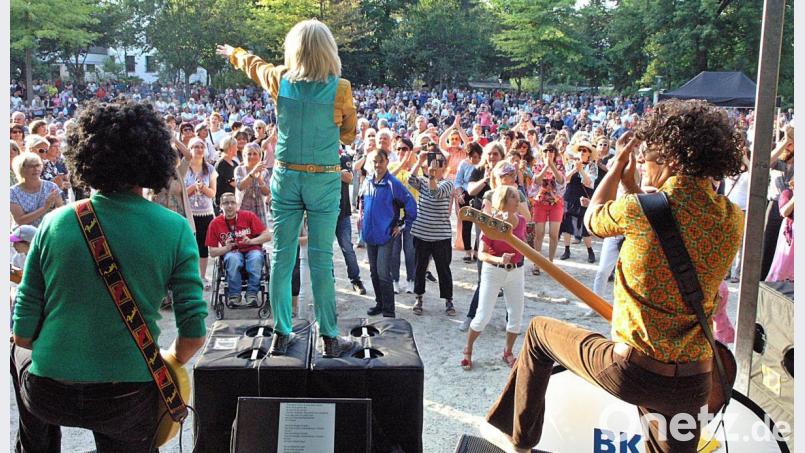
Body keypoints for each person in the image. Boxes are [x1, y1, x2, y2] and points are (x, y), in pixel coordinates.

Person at [482, 99, 745, 453]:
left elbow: (593, 219)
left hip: (635, 371)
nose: (642, 161)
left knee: (539, 333)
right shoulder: (732, 218)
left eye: (647, 155)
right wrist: (633, 185)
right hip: (694, 380)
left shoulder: (639, 211)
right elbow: (669, 228)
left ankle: (520, 443)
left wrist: (617, 167)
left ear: (670, 159)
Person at [11, 101, 207, 452]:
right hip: (126, 393)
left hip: (49, 390)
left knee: (20, 363)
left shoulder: (54, 224)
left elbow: (22, 333)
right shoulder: (175, 229)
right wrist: (170, 361)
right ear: (153, 159)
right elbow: (192, 336)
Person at [217, 18, 358, 358]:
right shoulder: (340, 88)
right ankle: (330, 337)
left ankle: (282, 331)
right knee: (322, 260)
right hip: (324, 179)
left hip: (286, 178)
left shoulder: (281, 79)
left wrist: (234, 52)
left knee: (282, 257)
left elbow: (255, 65)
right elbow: (349, 135)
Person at [462, 185, 527, 371]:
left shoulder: (521, 221)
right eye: (515, 197)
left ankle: (508, 351)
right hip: (493, 271)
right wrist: (499, 258)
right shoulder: (490, 222)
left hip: (516, 272)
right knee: (483, 315)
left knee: (516, 315)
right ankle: (468, 349)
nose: (518, 201)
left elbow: (524, 247)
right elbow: (481, 254)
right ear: (504, 201)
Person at [361, 149, 417, 318]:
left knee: (383, 272)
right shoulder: (368, 181)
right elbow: (363, 202)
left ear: (387, 162)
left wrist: (401, 225)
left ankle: (389, 310)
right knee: (373, 271)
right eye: (375, 162)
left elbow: (411, 205)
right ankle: (379, 303)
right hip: (370, 235)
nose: (378, 165)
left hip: (386, 235)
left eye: (381, 161)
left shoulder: (393, 183)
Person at [407, 150, 455, 316]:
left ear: (443, 168)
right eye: (431, 165)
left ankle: (448, 300)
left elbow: (435, 193)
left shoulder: (448, 184)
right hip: (421, 233)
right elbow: (410, 180)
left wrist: (432, 176)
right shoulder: (423, 180)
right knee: (420, 267)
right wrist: (419, 162)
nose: (432, 168)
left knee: (443, 269)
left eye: (437, 165)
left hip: (441, 236)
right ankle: (418, 297)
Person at [206, 192, 273, 306]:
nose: (230, 206)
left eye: (232, 202)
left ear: (236, 205)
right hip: (232, 251)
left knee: (256, 258)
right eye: (226, 203)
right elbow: (212, 252)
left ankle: (252, 294)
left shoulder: (248, 216)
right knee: (233, 259)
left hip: (252, 248)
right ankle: (234, 295)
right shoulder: (215, 223)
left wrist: (252, 241)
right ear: (221, 205)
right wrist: (226, 248)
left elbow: (267, 236)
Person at [528, 142, 565, 275]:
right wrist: (545, 167)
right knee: (539, 234)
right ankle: (536, 264)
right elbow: (537, 181)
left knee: (554, 234)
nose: (548, 153)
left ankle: (550, 263)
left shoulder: (560, 166)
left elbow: (561, 181)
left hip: (556, 203)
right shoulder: (537, 166)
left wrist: (552, 166)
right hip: (540, 202)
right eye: (545, 151)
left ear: (555, 153)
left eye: (551, 151)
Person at [184, 137, 217, 288]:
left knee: (204, 245)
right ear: (190, 150)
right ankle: (190, 276)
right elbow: (180, 192)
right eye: (195, 147)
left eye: (201, 147)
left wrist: (202, 187)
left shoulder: (209, 169)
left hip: (205, 212)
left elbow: (212, 193)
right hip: (188, 212)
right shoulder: (184, 169)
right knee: (189, 245)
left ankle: (202, 276)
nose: (198, 149)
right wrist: (193, 188)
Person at [559, 136, 598, 263]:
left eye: (585, 150)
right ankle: (566, 249)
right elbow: (566, 179)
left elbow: (588, 182)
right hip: (570, 195)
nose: (582, 152)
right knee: (567, 222)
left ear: (589, 154)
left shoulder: (592, 166)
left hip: (583, 196)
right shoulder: (571, 163)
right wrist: (576, 169)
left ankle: (590, 251)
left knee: (583, 224)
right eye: (580, 149)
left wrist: (581, 171)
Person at [336, 146, 367, 295]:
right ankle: (330, 282)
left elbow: (348, 178)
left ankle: (355, 279)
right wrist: (337, 172)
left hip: (342, 212)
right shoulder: (318, 157)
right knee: (325, 250)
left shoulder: (343, 158)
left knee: (347, 248)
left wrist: (329, 170)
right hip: (323, 213)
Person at [10, 152, 63, 227]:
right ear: (21, 169)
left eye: (38, 165)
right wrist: (45, 207)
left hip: (47, 230)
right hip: (23, 233)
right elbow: (20, 221)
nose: (36, 169)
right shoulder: (13, 192)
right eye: (31, 166)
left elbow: (62, 211)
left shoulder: (51, 187)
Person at [234, 142, 271, 226]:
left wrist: (259, 179)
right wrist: (253, 172)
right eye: (249, 154)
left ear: (259, 156)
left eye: (255, 154)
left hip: (260, 208)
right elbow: (240, 186)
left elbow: (267, 192)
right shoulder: (239, 170)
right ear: (244, 156)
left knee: (261, 236)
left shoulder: (264, 171)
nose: (252, 156)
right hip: (243, 208)